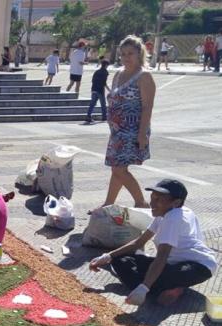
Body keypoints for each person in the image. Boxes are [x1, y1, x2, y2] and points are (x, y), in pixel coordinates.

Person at [89, 179, 216, 307]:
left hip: (198, 267)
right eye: (152, 198)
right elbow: (139, 242)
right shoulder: (164, 213)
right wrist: (108, 256)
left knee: (145, 280)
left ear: (176, 202)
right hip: (173, 263)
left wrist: (144, 288)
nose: (152, 203)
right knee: (120, 260)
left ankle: (169, 289)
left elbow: (162, 257)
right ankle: (165, 288)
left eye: (158, 200)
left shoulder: (173, 218)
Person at [100, 35, 155, 209]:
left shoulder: (144, 76)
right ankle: (109, 204)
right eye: (123, 54)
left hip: (132, 131)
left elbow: (147, 107)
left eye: (130, 53)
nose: (126, 58)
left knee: (119, 169)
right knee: (117, 169)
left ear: (140, 53)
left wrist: (141, 134)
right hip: (117, 131)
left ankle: (141, 203)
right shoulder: (118, 74)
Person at [85, 59, 110, 123]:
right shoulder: (105, 72)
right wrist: (109, 90)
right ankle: (104, 117)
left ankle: (88, 116)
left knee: (92, 104)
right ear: (106, 65)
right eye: (107, 65)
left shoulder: (96, 71)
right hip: (100, 90)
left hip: (94, 89)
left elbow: (93, 80)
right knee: (103, 104)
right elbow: (104, 83)